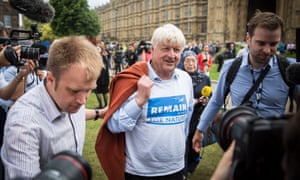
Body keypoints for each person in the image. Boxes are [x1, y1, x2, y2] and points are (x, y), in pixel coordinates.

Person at [95, 23, 194, 180]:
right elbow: (113, 126)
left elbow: (185, 124)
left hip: (176, 168)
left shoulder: (185, 79)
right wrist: (139, 100)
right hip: (139, 172)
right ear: (153, 50)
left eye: (176, 50)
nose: (172, 55)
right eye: (165, 48)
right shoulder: (133, 80)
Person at [192, 11, 300, 154]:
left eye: (273, 44)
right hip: (239, 145)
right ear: (248, 39)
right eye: (260, 43)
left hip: (276, 148)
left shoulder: (289, 69)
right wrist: (200, 130)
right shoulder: (231, 67)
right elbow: (216, 102)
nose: (267, 50)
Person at [1, 36, 105, 179]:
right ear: (50, 78)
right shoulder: (22, 124)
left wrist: (99, 113)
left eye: (89, 90)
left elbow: (74, 115)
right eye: (74, 91)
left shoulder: (69, 97)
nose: (82, 100)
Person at [180, 50, 211, 178]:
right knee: (183, 144)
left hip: (197, 116)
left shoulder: (204, 78)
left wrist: (205, 101)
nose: (190, 64)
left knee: (194, 142)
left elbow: (211, 97)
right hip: (182, 117)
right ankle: (183, 170)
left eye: (193, 61)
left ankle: (192, 164)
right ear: (183, 63)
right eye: (187, 61)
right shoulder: (179, 77)